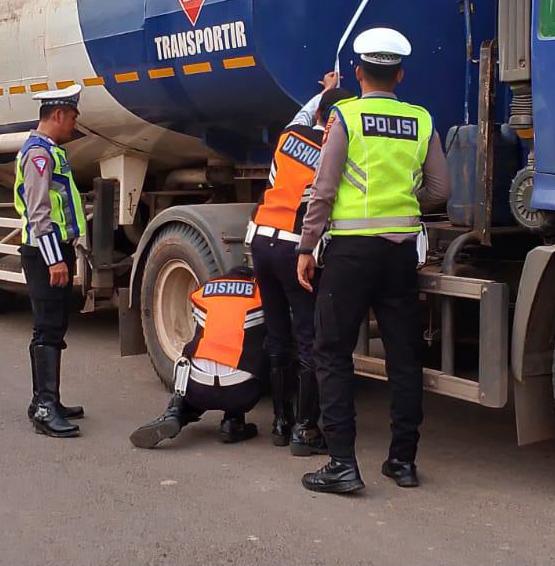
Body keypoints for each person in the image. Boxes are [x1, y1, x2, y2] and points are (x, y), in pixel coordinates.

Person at [296, 27, 450, 493]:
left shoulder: (345, 116)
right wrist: (404, 206)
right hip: (401, 253)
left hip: (350, 255)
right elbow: (440, 190)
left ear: (359, 72)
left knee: (332, 352)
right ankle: (402, 462)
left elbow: (323, 189)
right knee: (404, 357)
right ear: (400, 74)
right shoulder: (421, 121)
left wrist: (306, 246)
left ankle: (342, 464)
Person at [247, 80, 353, 454]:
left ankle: (280, 422)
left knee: (277, 334)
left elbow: (306, 113)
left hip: (261, 240)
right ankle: (306, 430)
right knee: (308, 338)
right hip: (295, 247)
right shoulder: (335, 147)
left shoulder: (289, 135)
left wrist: (326, 90)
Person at [14, 84, 88, 438]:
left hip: (56, 249)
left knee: (55, 324)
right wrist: (54, 260)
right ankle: (44, 408)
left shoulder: (50, 151)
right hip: (46, 251)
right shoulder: (38, 154)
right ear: (57, 115)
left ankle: (47, 399)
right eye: (72, 116)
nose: (74, 124)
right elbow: (38, 211)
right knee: (47, 326)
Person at [129, 267, 268, 448]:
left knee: (196, 350)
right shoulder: (260, 294)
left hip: (199, 390)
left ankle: (175, 411)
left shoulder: (204, 292)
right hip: (241, 393)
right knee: (260, 350)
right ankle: (233, 421)